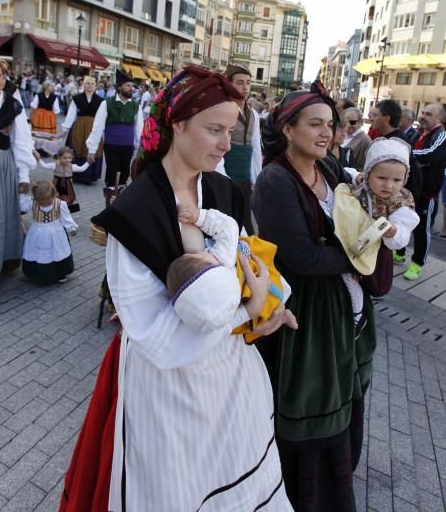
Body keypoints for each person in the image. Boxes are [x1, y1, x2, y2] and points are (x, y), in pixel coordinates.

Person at [60, 66, 293, 512]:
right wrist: (249, 311)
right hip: (168, 385)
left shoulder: (226, 192)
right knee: (176, 490)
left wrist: (271, 308)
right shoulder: (135, 211)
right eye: (215, 130)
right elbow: (153, 335)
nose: (227, 143)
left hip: (229, 379)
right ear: (178, 123)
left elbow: (249, 265)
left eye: (231, 129)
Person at [253, 82, 377, 511]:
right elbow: (302, 257)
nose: (328, 134)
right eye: (316, 124)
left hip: (343, 316)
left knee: (342, 407)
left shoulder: (331, 171)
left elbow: (362, 222)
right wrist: (361, 252)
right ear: (288, 129)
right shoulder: (275, 179)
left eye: (332, 125)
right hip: (306, 321)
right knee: (313, 416)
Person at [167, 203, 296, 340]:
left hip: (247, 316)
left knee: (237, 326)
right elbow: (229, 227)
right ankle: (284, 315)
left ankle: (284, 317)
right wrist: (200, 217)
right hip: (264, 292)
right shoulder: (222, 257)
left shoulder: (202, 312)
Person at [333, 137, 419, 334]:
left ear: (404, 179)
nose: (389, 185)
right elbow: (350, 172)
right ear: (368, 173)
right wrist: (356, 177)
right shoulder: (361, 185)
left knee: (366, 282)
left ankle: (359, 313)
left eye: (397, 180)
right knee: (348, 276)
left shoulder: (401, 203)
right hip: (351, 243)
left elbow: (403, 235)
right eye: (382, 178)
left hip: (376, 252)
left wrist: (394, 232)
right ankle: (353, 308)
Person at [0, 55, 36, 301]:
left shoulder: (12, 105)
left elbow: (21, 142)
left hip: (2, 166)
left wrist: (23, 176)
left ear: (4, 78)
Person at [86, 70, 143, 203]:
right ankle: (109, 205)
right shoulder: (107, 103)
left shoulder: (135, 105)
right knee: (112, 175)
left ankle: (120, 206)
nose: (131, 89)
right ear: (119, 86)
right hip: (111, 146)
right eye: (128, 86)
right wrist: (92, 150)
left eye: (132, 86)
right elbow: (97, 127)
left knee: (124, 175)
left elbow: (139, 129)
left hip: (128, 147)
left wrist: (140, 148)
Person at [403, 103, 446, 280]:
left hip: (426, 192)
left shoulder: (441, 135)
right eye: (423, 112)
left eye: (428, 114)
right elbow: (421, 156)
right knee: (403, 220)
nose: (423, 116)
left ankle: (417, 263)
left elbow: (431, 154)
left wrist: (408, 155)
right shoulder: (419, 133)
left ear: (440, 119)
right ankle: (399, 252)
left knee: (421, 229)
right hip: (410, 188)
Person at [223, 64, 262, 235]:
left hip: (244, 177)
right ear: (229, 84)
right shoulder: (222, 109)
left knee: (246, 222)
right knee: (225, 220)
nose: (245, 87)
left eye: (248, 83)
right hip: (224, 173)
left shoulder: (253, 113)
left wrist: (256, 179)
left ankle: (249, 255)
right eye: (240, 82)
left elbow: (255, 148)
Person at [19, 179, 77, 284]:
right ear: (36, 198)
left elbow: (66, 218)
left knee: (58, 252)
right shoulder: (32, 202)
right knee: (37, 253)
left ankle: (60, 273)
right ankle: (36, 273)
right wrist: (22, 194)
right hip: (37, 232)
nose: (45, 204)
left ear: (54, 194)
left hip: (56, 232)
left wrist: (71, 228)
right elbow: (22, 206)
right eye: (41, 201)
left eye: (48, 201)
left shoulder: (60, 204)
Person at [369, 99, 422, 204]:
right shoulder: (387, 138)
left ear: (386, 118)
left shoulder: (396, 143)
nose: (371, 119)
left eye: (375, 115)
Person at [62, 76, 103, 183]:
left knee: (91, 149)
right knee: (78, 147)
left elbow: (102, 116)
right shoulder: (77, 98)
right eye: (87, 83)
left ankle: (89, 177)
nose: (90, 86)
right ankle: (76, 175)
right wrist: (65, 128)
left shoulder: (100, 100)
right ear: (84, 85)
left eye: (92, 83)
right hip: (79, 127)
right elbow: (71, 114)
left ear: (95, 86)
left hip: (94, 127)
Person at [36, 146, 89, 213]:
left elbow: (82, 169)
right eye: (64, 158)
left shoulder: (72, 166)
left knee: (66, 200)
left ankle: (65, 212)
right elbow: (44, 166)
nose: (67, 160)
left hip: (68, 188)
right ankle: (54, 211)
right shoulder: (55, 165)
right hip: (56, 186)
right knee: (55, 198)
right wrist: (39, 159)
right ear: (59, 157)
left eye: (69, 158)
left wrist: (88, 163)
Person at [340, 106, 371, 171]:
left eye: (352, 122)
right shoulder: (343, 135)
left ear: (361, 122)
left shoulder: (365, 140)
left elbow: (364, 167)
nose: (348, 125)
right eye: (345, 122)